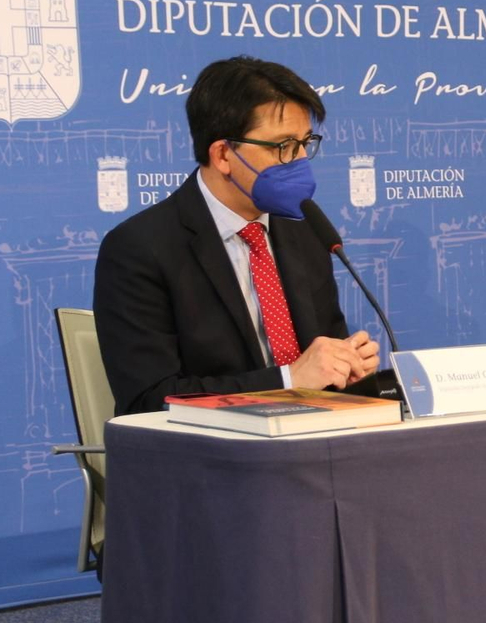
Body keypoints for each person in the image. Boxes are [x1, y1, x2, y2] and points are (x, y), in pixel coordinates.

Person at [94, 55, 380, 414]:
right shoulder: (140, 248)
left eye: (306, 142)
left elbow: (322, 353)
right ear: (223, 155)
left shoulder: (303, 229)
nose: (301, 159)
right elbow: (150, 399)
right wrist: (289, 380)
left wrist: (346, 367)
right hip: (209, 458)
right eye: (284, 147)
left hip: (311, 443)